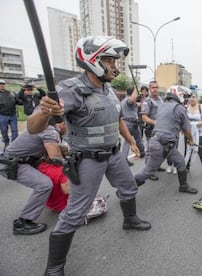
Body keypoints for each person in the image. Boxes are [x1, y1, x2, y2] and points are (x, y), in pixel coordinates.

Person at [26, 36, 151, 275]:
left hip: (114, 155)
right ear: (93, 60)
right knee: (75, 212)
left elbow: (117, 119)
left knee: (129, 188)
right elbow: (33, 127)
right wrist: (44, 111)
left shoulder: (108, 89)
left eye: (115, 61)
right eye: (109, 60)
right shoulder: (69, 89)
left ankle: (130, 219)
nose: (115, 66)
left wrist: (131, 140)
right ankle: (54, 268)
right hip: (87, 160)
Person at [0, 117, 66, 235]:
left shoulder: (47, 128)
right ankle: (23, 222)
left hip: (21, 161)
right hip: (14, 164)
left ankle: (51, 202)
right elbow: (56, 159)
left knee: (50, 175)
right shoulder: (51, 132)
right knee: (44, 185)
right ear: (62, 124)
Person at [134, 92, 198, 194]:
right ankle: (127, 188)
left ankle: (183, 186)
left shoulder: (162, 106)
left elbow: (169, 122)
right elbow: (187, 129)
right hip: (162, 145)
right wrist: (191, 140)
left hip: (162, 142)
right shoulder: (180, 108)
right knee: (148, 171)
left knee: (180, 162)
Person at [141, 80, 165, 180]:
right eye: (153, 87)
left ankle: (156, 166)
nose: (155, 89)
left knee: (159, 150)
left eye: (156, 87)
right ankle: (148, 171)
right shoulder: (147, 101)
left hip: (161, 129)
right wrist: (155, 122)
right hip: (151, 129)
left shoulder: (161, 99)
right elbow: (144, 117)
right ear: (150, 89)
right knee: (150, 151)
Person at [185, 94, 202, 175]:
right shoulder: (186, 108)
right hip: (189, 133)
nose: (191, 99)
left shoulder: (201, 107)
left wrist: (196, 124)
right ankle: (186, 167)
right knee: (188, 150)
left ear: (197, 99)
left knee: (200, 151)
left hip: (200, 133)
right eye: (190, 97)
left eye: (194, 97)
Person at [121, 87, 146, 166]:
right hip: (131, 123)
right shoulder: (129, 100)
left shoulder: (123, 101)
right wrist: (135, 91)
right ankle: (141, 152)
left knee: (128, 141)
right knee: (138, 139)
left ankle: (124, 158)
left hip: (126, 123)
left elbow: (137, 104)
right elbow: (132, 101)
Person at [0, 79, 21, 152]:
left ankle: (14, 145)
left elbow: (19, 102)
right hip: (2, 116)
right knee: (4, 131)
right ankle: (6, 143)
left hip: (13, 115)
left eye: (3, 84)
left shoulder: (11, 93)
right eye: (0, 84)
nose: (2, 85)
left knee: (15, 131)